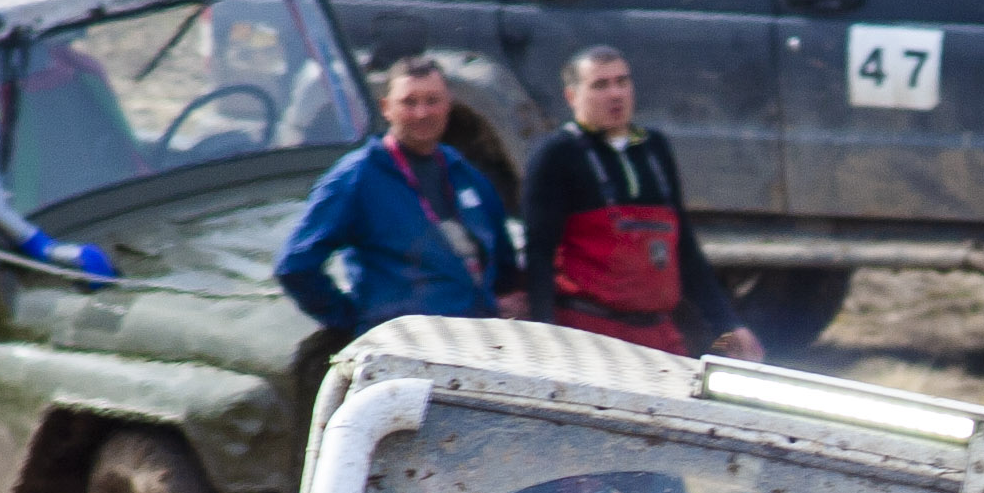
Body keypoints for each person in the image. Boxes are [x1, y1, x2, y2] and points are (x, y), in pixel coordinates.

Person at [520, 46, 761, 360]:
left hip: (658, 333)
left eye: (622, 82)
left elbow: (683, 248)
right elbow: (538, 254)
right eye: (600, 85)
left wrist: (728, 324)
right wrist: (544, 337)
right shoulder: (555, 155)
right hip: (590, 336)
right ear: (572, 96)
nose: (615, 94)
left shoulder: (654, 148)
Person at [274, 56, 523, 337]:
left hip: (473, 336)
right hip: (405, 345)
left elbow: (501, 254)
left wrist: (506, 296)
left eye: (432, 101)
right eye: (409, 102)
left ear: (448, 105)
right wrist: (350, 320)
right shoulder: (357, 176)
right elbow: (295, 266)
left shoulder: (460, 170)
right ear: (386, 108)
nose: (422, 113)